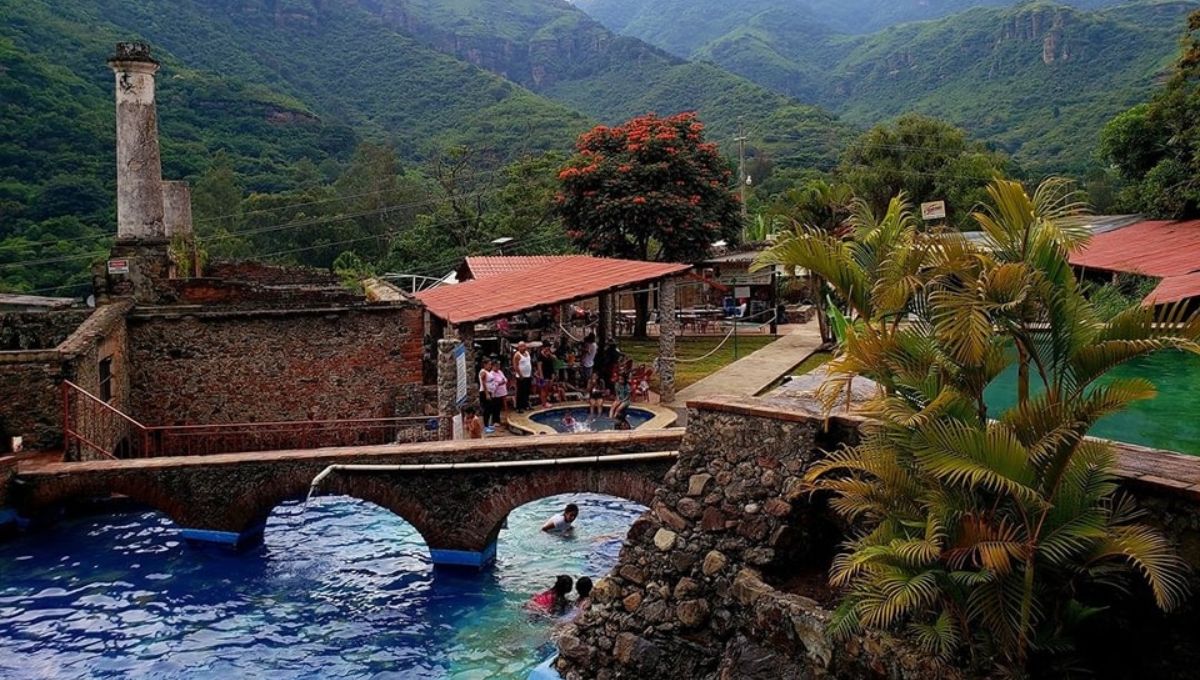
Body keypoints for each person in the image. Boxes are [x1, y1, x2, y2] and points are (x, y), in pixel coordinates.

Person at [486, 360, 508, 428]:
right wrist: (499, 383)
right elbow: (492, 384)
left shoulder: (500, 372)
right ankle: (496, 421)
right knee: (496, 407)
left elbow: (505, 379)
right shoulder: (491, 374)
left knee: (501, 405)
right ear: (493, 366)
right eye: (496, 366)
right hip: (496, 393)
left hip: (502, 391)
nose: (498, 367)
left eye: (499, 366)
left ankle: (504, 418)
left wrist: (503, 381)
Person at [513, 341, 533, 413]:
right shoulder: (517, 355)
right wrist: (520, 374)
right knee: (520, 392)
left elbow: (528, 363)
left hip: (528, 375)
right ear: (518, 347)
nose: (523, 348)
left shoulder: (527, 353)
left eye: (524, 346)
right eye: (521, 346)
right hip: (521, 376)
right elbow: (515, 366)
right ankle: (519, 407)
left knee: (527, 391)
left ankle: (526, 405)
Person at [478, 358, 495, 431]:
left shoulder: (488, 372)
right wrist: (487, 393)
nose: (490, 366)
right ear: (485, 364)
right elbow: (483, 383)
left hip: (490, 391)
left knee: (490, 408)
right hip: (484, 392)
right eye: (489, 364)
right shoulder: (483, 372)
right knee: (486, 409)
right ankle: (485, 426)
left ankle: (488, 424)